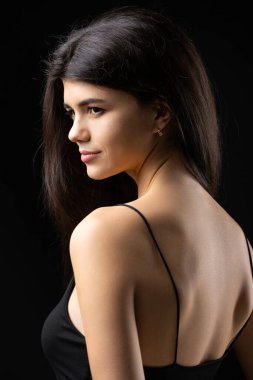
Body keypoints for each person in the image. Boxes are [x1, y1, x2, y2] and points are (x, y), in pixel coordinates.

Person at [40, 5, 253, 380]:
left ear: (160, 113)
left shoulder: (105, 234)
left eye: (94, 109)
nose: (74, 132)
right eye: (71, 113)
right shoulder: (240, 247)